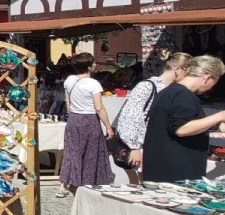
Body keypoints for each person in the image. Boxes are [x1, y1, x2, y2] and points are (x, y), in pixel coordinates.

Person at [142, 55, 225, 183]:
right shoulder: (185, 96)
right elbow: (181, 129)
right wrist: (219, 117)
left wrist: (219, 127)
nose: (211, 88)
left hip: (159, 168)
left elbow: (174, 125)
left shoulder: (167, 92)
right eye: (214, 82)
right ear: (207, 77)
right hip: (176, 174)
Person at [112, 52, 191, 178]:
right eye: (188, 72)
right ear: (177, 69)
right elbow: (131, 117)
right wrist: (134, 147)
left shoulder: (173, 89)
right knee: (141, 184)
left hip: (158, 145)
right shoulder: (147, 86)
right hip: (142, 146)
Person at [57, 53, 115, 197]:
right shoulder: (93, 84)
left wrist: (73, 116)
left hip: (74, 119)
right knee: (90, 153)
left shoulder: (70, 80)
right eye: (93, 63)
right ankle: (86, 184)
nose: (95, 65)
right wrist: (108, 126)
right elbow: (99, 108)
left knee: (72, 152)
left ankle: (64, 185)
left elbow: (67, 102)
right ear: (89, 66)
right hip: (89, 120)